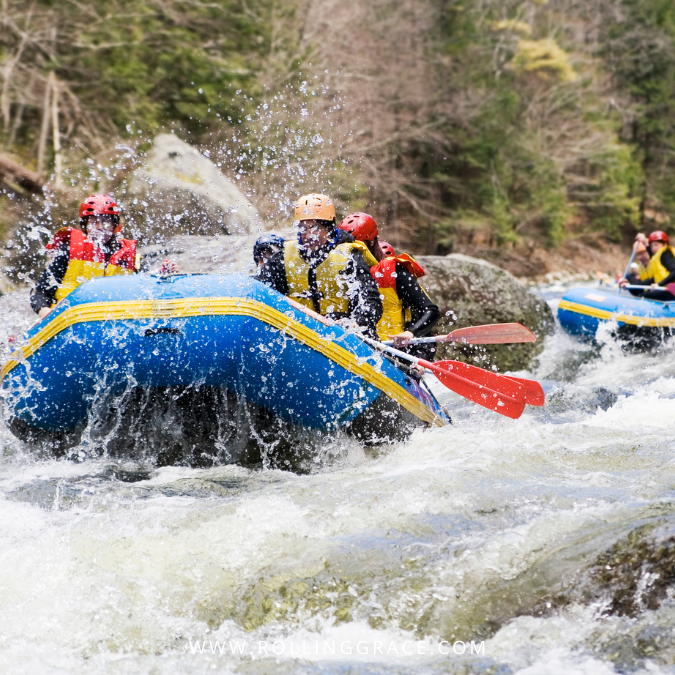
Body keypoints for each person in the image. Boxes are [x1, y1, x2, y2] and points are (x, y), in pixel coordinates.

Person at [31, 194, 177, 319]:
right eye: (94, 222)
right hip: (70, 322)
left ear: (115, 226)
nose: (100, 227)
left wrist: (162, 276)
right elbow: (39, 293)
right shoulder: (69, 250)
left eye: (106, 222)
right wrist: (46, 312)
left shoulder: (128, 258)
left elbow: (145, 289)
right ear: (85, 226)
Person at [257, 194, 383, 338]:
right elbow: (263, 287)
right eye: (303, 228)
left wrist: (356, 322)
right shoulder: (283, 257)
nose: (308, 235)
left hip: (343, 336)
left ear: (329, 228)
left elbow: (371, 301)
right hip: (302, 334)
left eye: (315, 228)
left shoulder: (350, 256)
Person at [338, 212, 440, 358]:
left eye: (356, 247)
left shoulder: (395, 273)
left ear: (371, 242)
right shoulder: (341, 270)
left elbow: (431, 311)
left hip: (397, 352)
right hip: (362, 349)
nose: (352, 253)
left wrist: (410, 333)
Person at [620, 231, 675, 300]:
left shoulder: (666, 254)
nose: (654, 248)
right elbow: (650, 281)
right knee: (641, 294)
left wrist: (659, 284)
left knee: (644, 296)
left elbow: (674, 271)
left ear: (665, 245)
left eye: (656, 245)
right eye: (652, 246)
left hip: (672, 289)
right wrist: (629, 285)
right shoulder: (657, 259)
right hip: (664, 289)